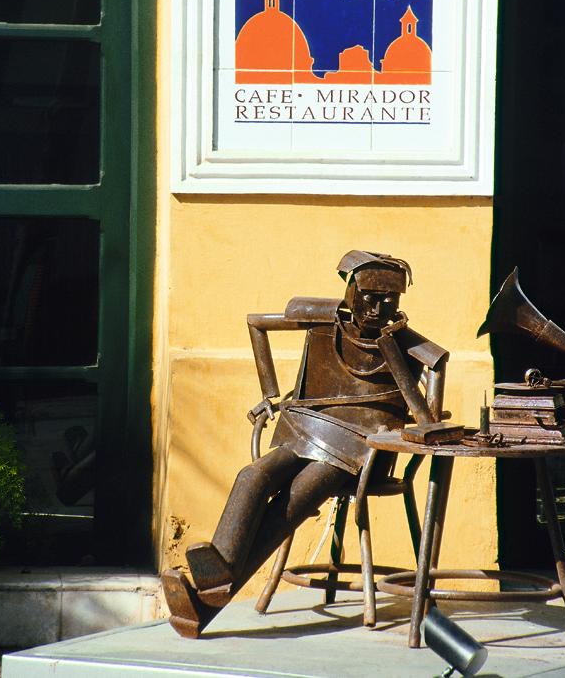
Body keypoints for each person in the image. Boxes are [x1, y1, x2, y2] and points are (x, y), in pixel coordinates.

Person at [162, 250, 448, 638]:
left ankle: (209, 593)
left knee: (293, 501)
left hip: (359, 450)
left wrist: (393, 353)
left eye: (389, 301)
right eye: (369, 297)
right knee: (251, 476)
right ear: (349, 291)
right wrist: (269, 392)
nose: (377, 309)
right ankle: (216, 581)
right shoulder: (321, 317)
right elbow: (257, 323)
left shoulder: (408, 346)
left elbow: (430, 413)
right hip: (304, 431)